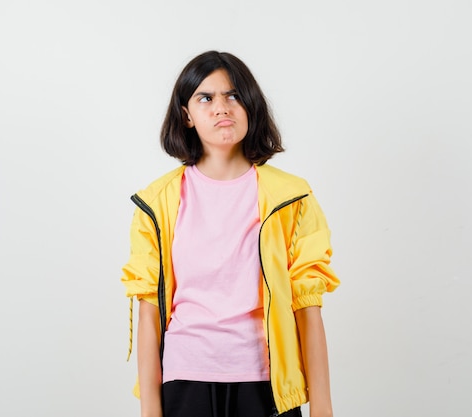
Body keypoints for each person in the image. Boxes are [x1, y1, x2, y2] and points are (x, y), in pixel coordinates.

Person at [120, 50, 340, 417]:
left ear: (250, 106)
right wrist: (150, 411)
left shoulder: (291, 198)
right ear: (187, 115)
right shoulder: (156, 204)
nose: (222, 107)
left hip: (266, 383)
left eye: (234, 95)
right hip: (184, 380)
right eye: (206, 97)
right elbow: (149, 312)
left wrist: (323, 408)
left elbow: (308, 306)